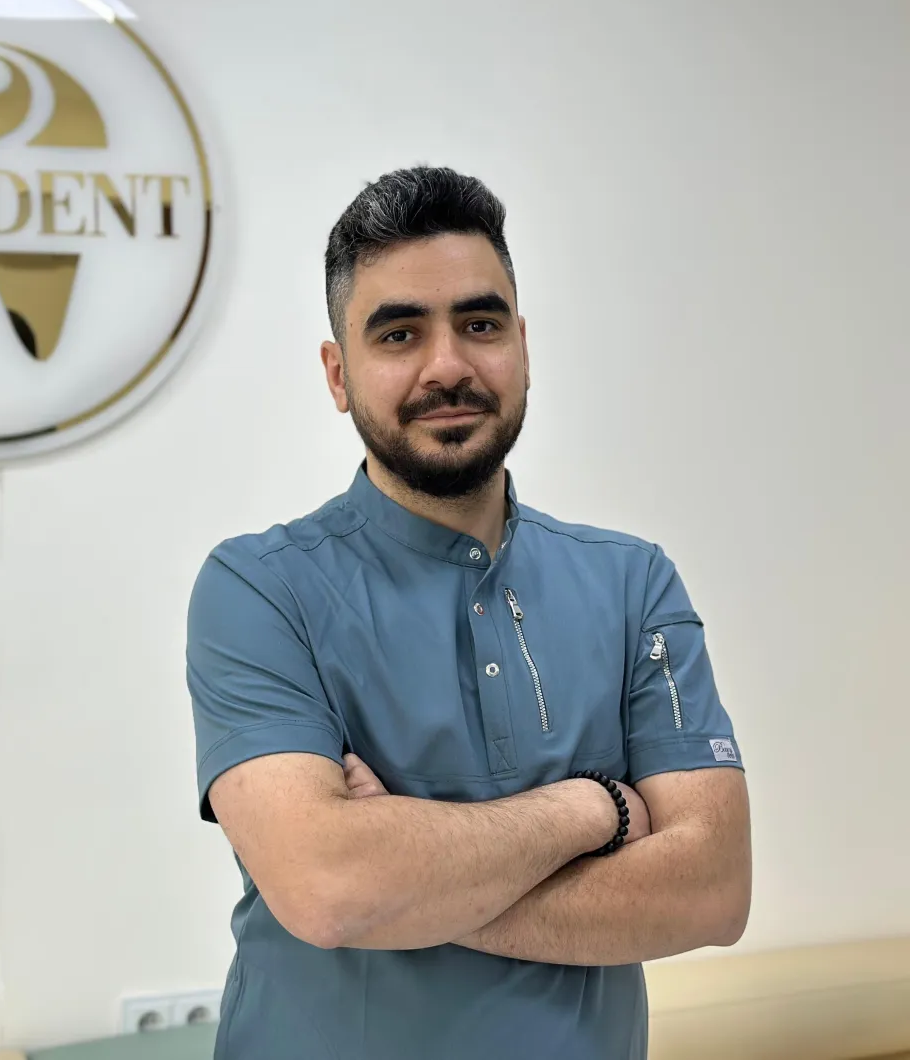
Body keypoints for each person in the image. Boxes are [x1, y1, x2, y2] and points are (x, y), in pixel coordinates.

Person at [185, 166, 751, 1060]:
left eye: (479, 325)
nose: (447, 366)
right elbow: (329, 887)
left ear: (522, 345)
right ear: (338, 374)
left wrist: (411, 888)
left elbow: (712, 890)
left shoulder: (633, 583)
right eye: (399, 333)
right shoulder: (259, 589)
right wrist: (593, 809)